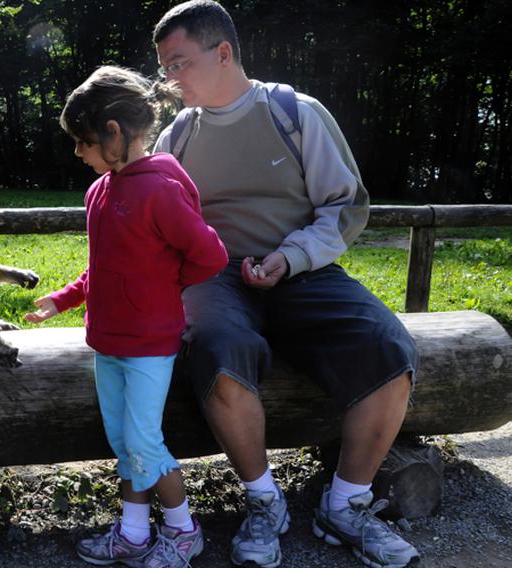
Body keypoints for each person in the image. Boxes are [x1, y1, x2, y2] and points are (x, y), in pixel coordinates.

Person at [150, 2, 421, 568]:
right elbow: (158, 221)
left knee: (389, 350)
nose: (169, 80)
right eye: (164, 68)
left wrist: (291, 257)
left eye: (179, 64)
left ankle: (345, 506)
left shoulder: (294, 112)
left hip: (302, 267)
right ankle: (264, 503)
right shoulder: (176, 135)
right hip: (213, 275)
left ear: (223, 53)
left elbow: (345, 207)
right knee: (219, 352)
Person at [24, 65, 228, 568]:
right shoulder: (101, 190)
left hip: (148, 345)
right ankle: (135, 533)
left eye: (83, 141)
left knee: (143, 441)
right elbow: (104, 266)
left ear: (114, 132)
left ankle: (183, 530)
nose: (78, 153)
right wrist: (65, 298)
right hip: (108, 342)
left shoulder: (159, 189)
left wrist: (162, 289)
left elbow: (210, 254)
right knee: (123, 441)